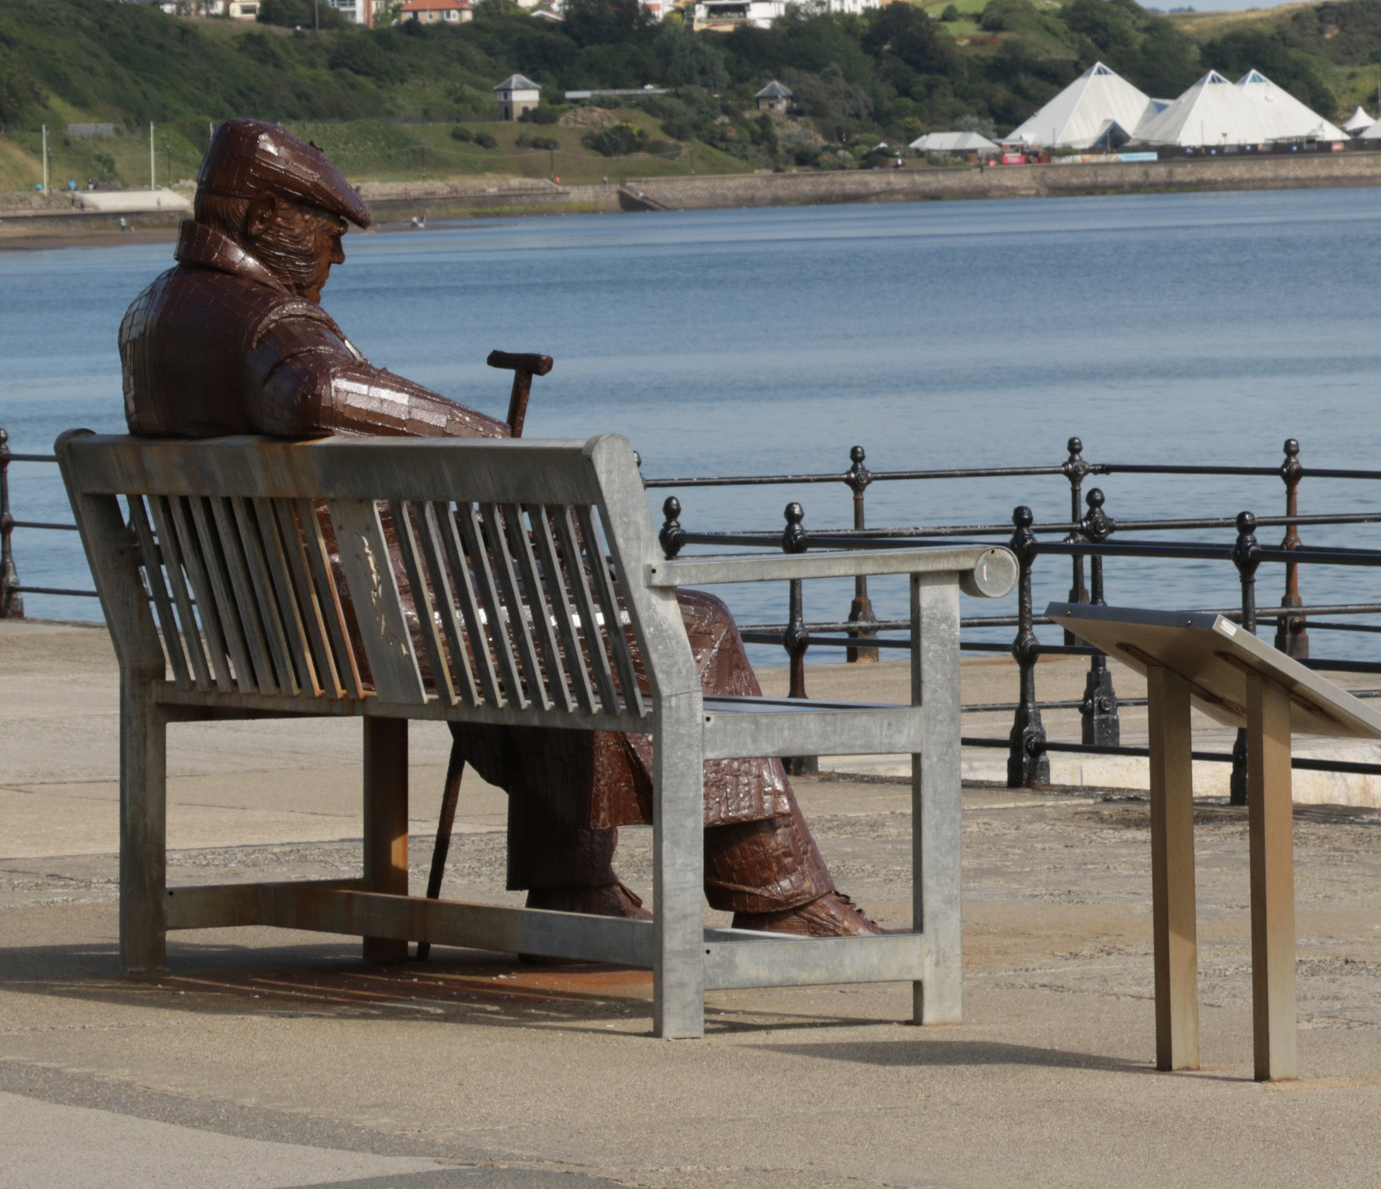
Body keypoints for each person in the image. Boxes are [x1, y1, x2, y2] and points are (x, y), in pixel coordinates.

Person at [118, 119, 877, 936]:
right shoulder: (271, 320)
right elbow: (314, 389)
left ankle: (574, 888)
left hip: (259, 631)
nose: (336, 256)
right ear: (266, 217)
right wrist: (498, 446)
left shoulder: (153, 315)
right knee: (685, 625)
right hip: (362, 637)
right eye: (329, 229)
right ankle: (782, 897)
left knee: (566, 615)